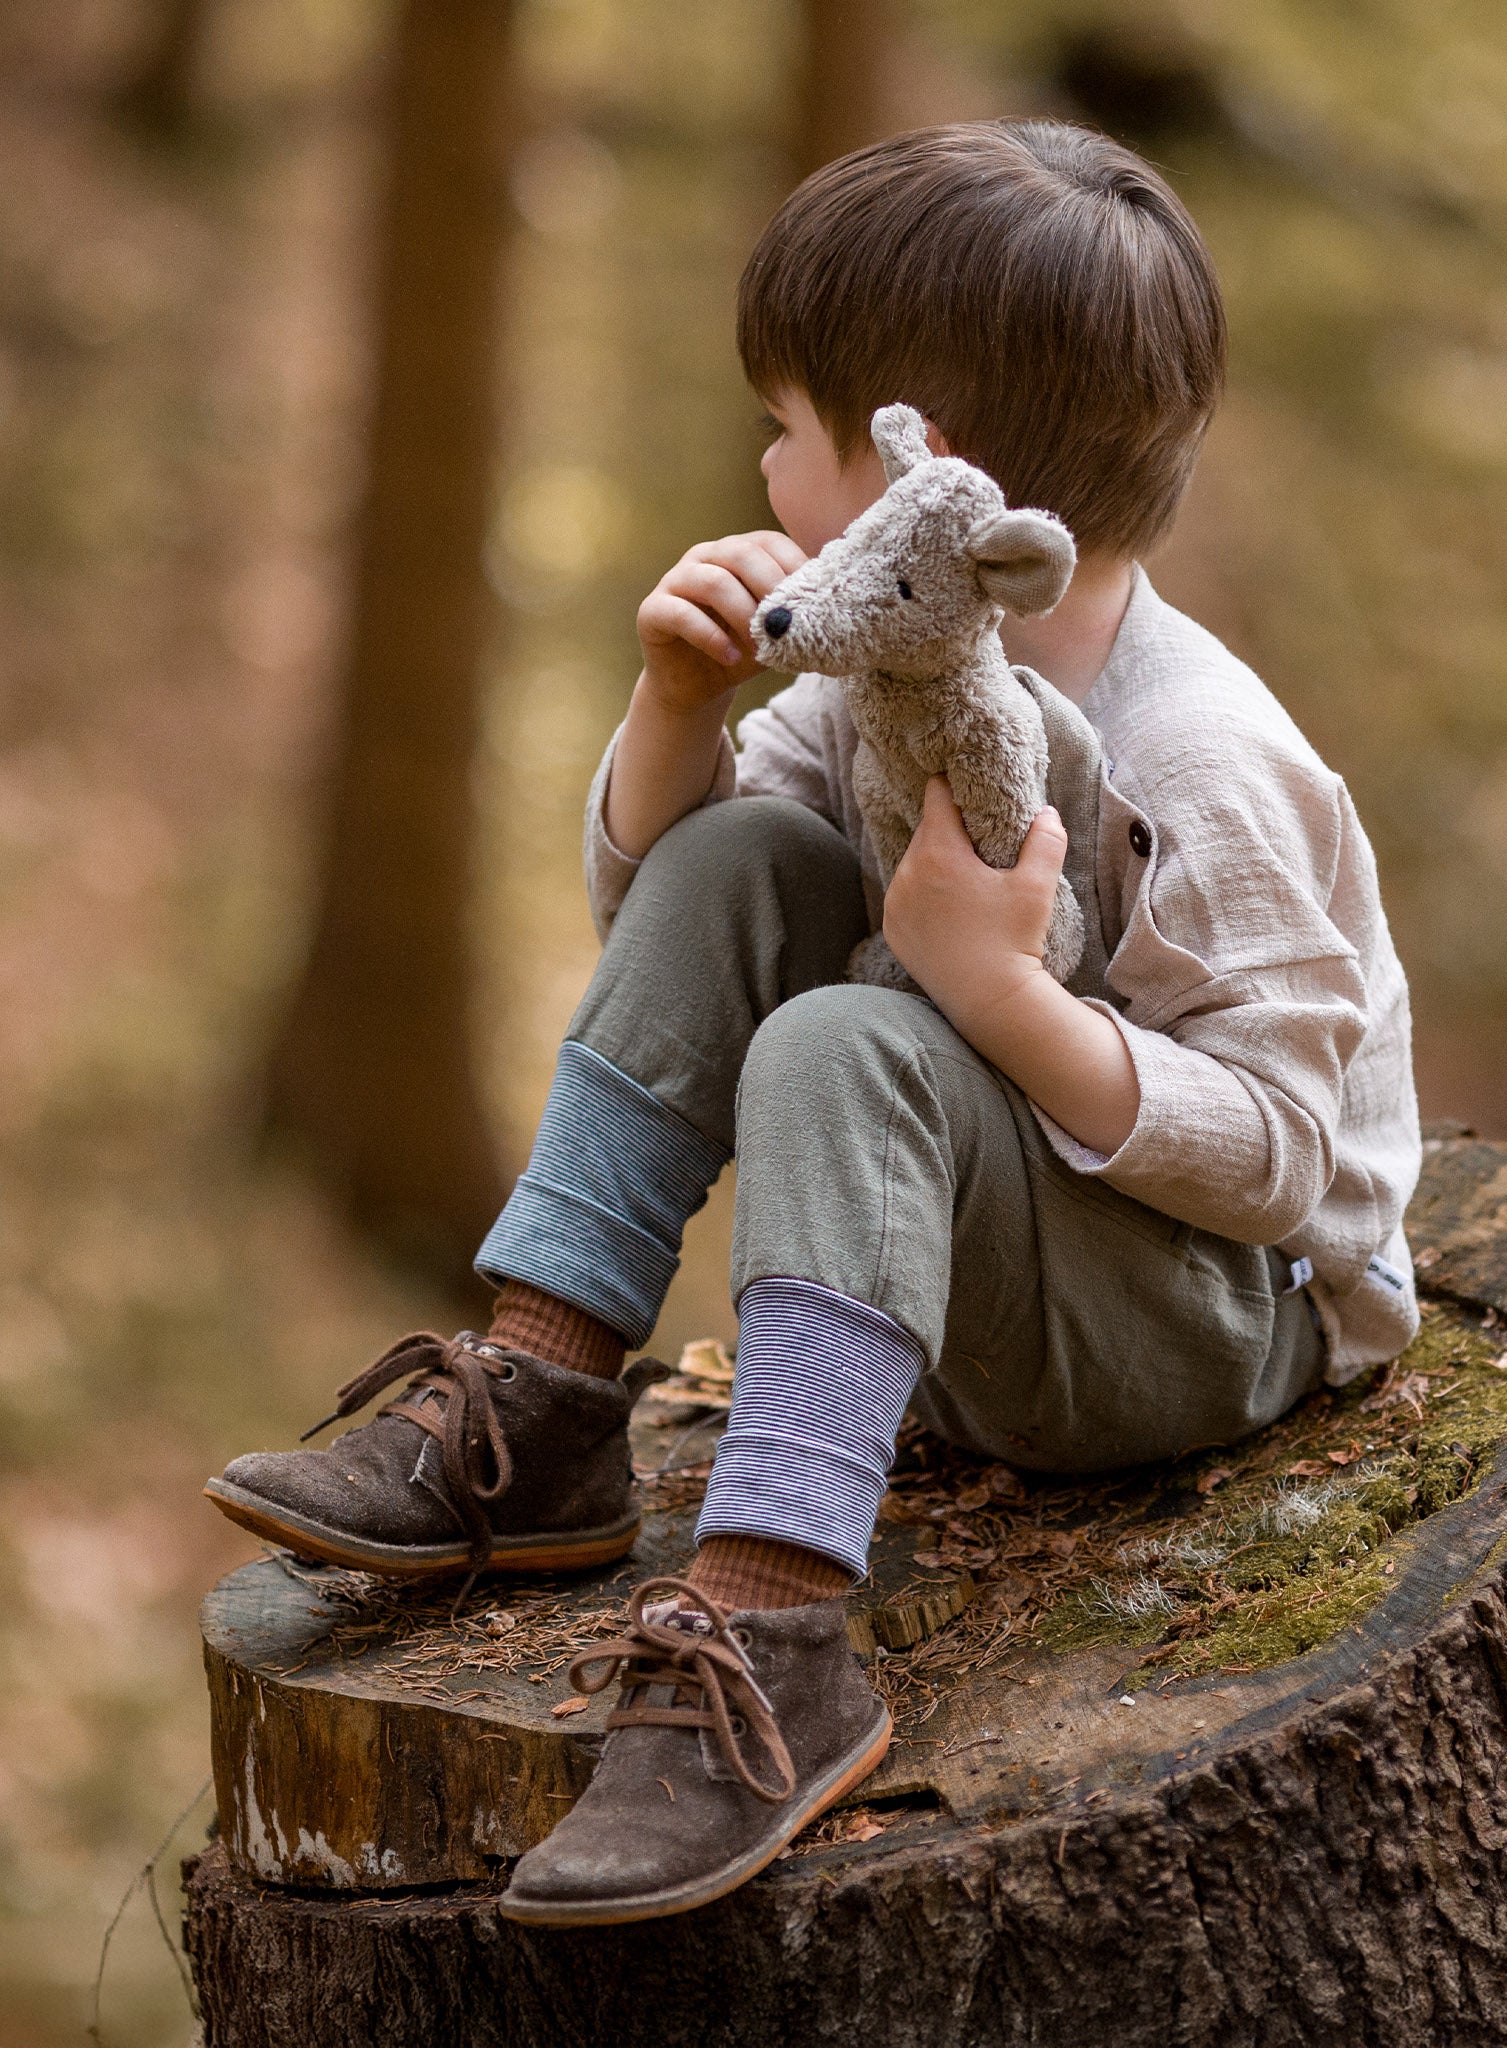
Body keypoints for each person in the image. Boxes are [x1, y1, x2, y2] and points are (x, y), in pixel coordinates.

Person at [205, 119, 1422, 1925]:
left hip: (1213, 1326)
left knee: (843, 1043)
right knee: (749, 861)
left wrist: (994, 989)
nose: (763, 459)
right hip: (983, 1255)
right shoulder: (882, 674)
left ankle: (775, 1638)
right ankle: (541, 1391)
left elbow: (1276, 1169)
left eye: (788, 425)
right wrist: (676, 712)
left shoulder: (1201, 762)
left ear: (936, 480)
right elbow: (673, 928)